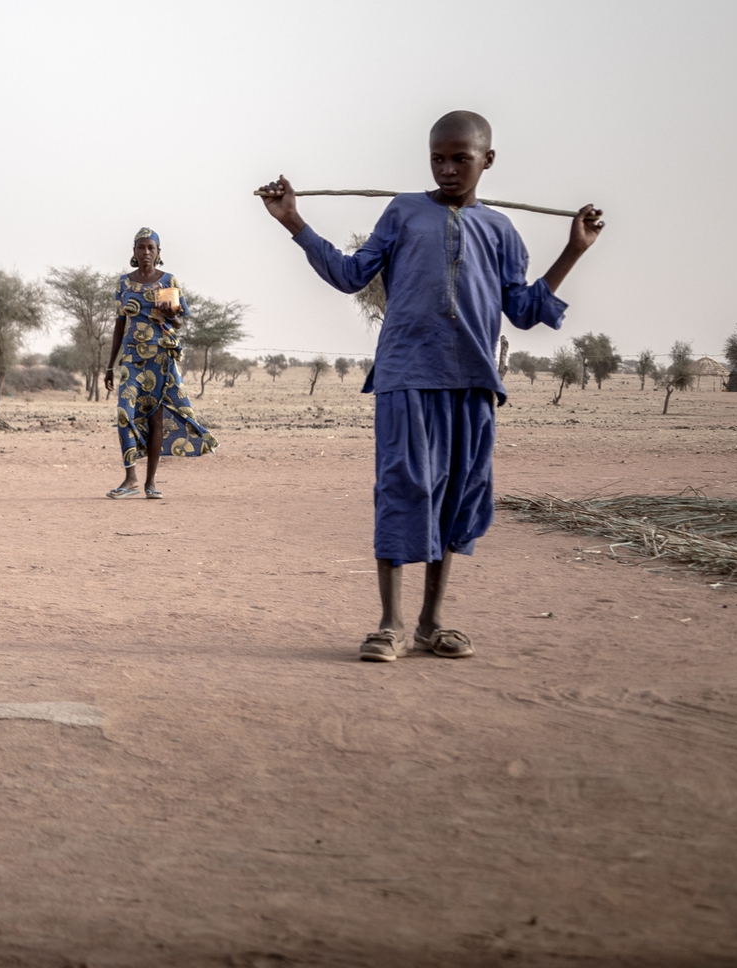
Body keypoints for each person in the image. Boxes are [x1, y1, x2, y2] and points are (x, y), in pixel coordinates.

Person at [258, 109, 603, 662]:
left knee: (457, 497)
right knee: (402, 486)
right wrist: (293, 222)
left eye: (460, 159)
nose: (447, 169)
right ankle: (390, 623)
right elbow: (350, 275)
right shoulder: (403, 212)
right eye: (437, 159)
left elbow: (523, 310)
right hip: (404, 375)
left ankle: (431, 621)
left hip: (472, 382)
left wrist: (574, 250)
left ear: (487, 160)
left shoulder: (501, 230)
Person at [102, 227, 217, 500]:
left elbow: (179, 322)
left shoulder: (168, 282)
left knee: (156, 420)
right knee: (124, 413)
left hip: (161, 357)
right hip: (132, 357)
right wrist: (109, 365)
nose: (145, 252)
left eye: (150, 248)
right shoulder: (123, 283)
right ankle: (130, 478)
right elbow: (120, 325)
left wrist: (170, 314)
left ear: (158, 253)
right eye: (141, 247)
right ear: (134, 252)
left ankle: (150, 483)